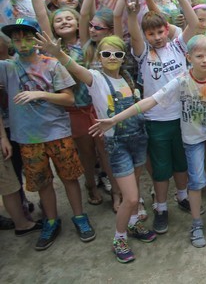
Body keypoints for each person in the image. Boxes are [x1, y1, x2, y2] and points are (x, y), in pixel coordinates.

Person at [91, 35, 206, 248]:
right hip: (192, 138)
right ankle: (196, 223)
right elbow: (150, 101)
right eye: (199, 56)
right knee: (196, 181)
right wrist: (115, 119)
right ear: (188, 57)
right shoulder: (180, 81)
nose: (205, 60)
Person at [37, 33, 156, 262]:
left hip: (138, 139)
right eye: (107, 53)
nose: (112, 58)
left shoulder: (128, 79)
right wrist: (57, 53)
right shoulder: (95, 78)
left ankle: (133, 224)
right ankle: (119, 238)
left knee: (136, 188)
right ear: (99, 57)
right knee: (130, 197)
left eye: (118, 54)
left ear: (123, 58)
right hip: (117, 143)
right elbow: (74, 67)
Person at [0, 17, 95, 250]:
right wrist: (3, 137)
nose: (22, 43)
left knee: (70, 177)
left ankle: (79, 216)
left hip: (57, 132)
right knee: (42, 182)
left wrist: (40, 95)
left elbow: (69, 98)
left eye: (27, 38)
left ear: (37, 39)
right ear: (11, 42)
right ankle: (51, 221)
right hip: (27, 137)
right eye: (17, 39)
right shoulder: (7, 67)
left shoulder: (52, 64)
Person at [127, 0, 198, 235]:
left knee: (181, 163)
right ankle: (160, 207)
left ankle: (181, 196)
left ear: (167, 30)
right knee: (160, 168)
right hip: (156, 119)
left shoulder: (178, 46)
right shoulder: (143, 53)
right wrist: (133, 14)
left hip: (182, 117)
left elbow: (195, 24)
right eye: (151, 34)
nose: (156, 37)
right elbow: (134, 33)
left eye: (160, 32)